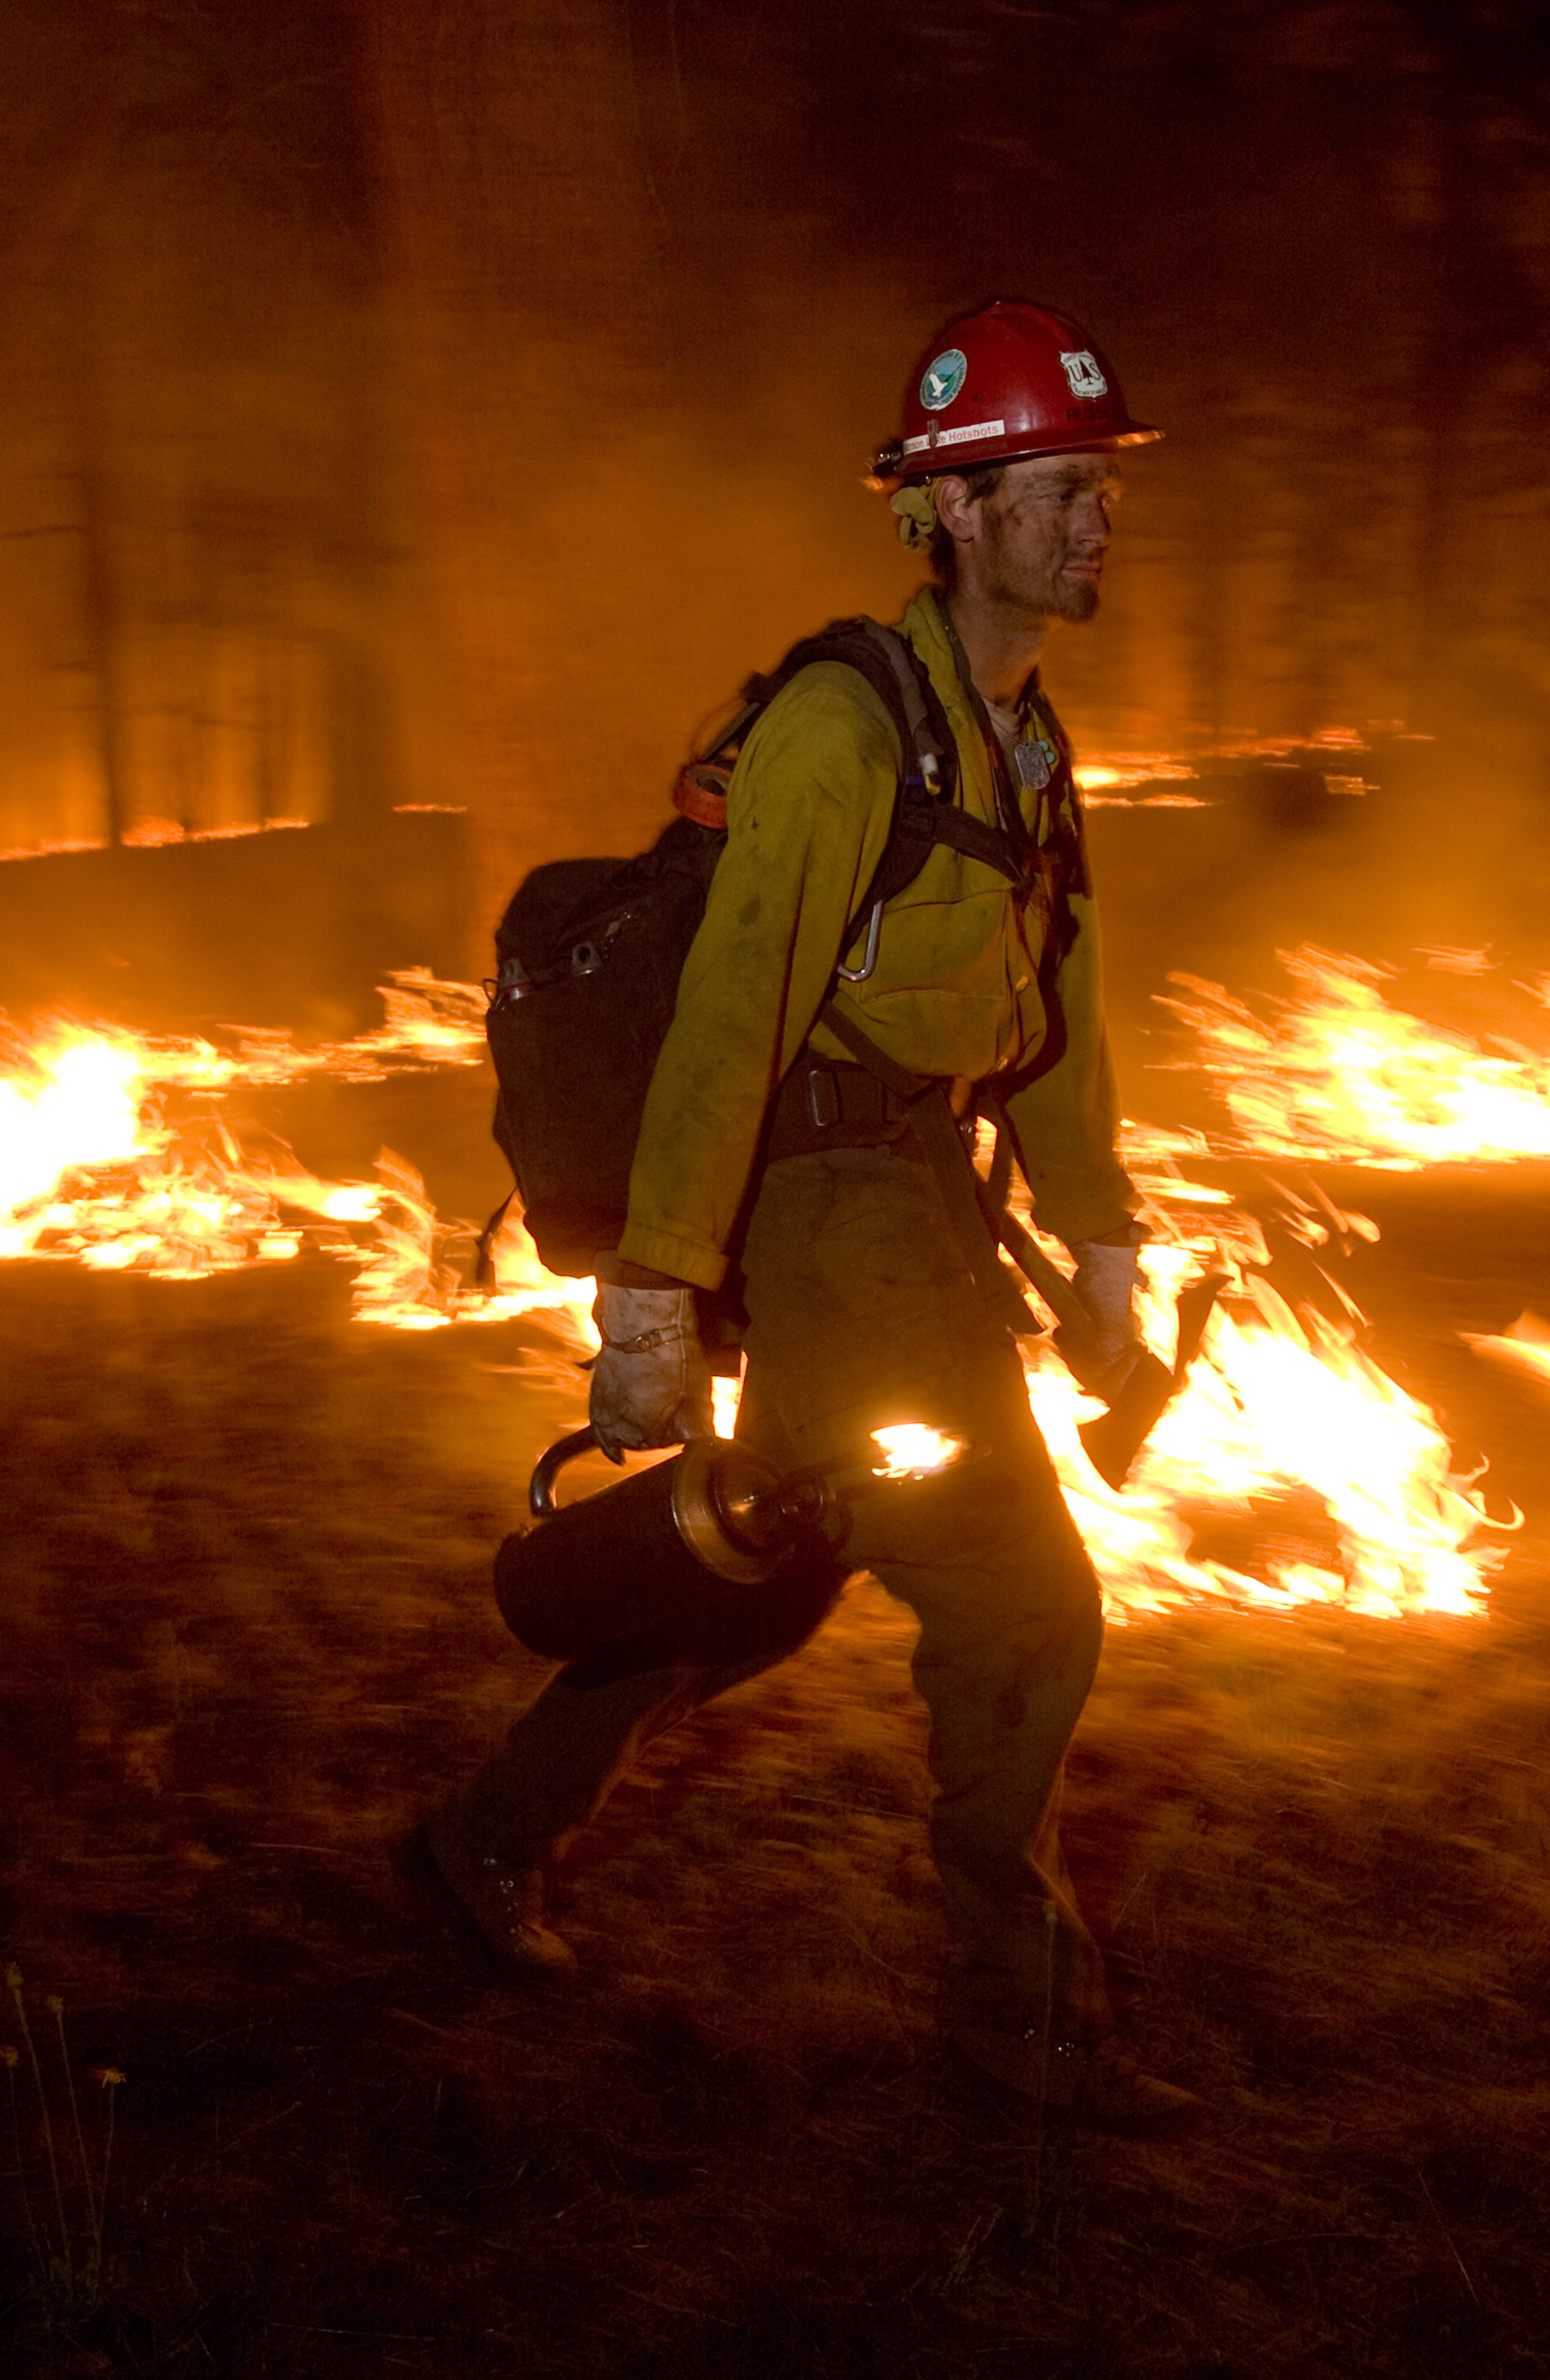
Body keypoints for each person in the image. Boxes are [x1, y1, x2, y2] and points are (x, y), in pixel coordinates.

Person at [407, 300, 1191, 2129]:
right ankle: (1025, 2032)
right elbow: (728, 1015)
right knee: (1025, 1602)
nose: (1095, 519)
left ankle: (479, 1844)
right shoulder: (851, 728)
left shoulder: (1027, 743)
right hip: (824, 1199)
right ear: (957, 515)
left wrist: (1101, 1246)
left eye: (1099, 487)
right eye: (1059, 488)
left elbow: (1056, 1018)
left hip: (918, 1192)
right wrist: (656, 1296)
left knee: (774, 1562)